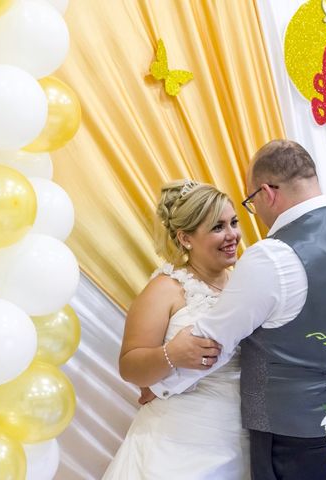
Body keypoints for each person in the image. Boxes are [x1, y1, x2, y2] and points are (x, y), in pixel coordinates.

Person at [148, 140, 326, 480]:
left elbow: (212, 342)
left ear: (268, 192)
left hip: (296, 437)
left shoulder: (272, 255)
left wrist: (157, 386)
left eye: (251, 203)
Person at [102, 179, 250, 480]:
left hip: (239, 439)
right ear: (185, 238)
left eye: (233, 222)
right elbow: (130, 367)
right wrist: (171, 355)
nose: (232, 235)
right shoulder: (165, 289)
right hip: (175, 444)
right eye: (217, 227)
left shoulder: (247, 284)